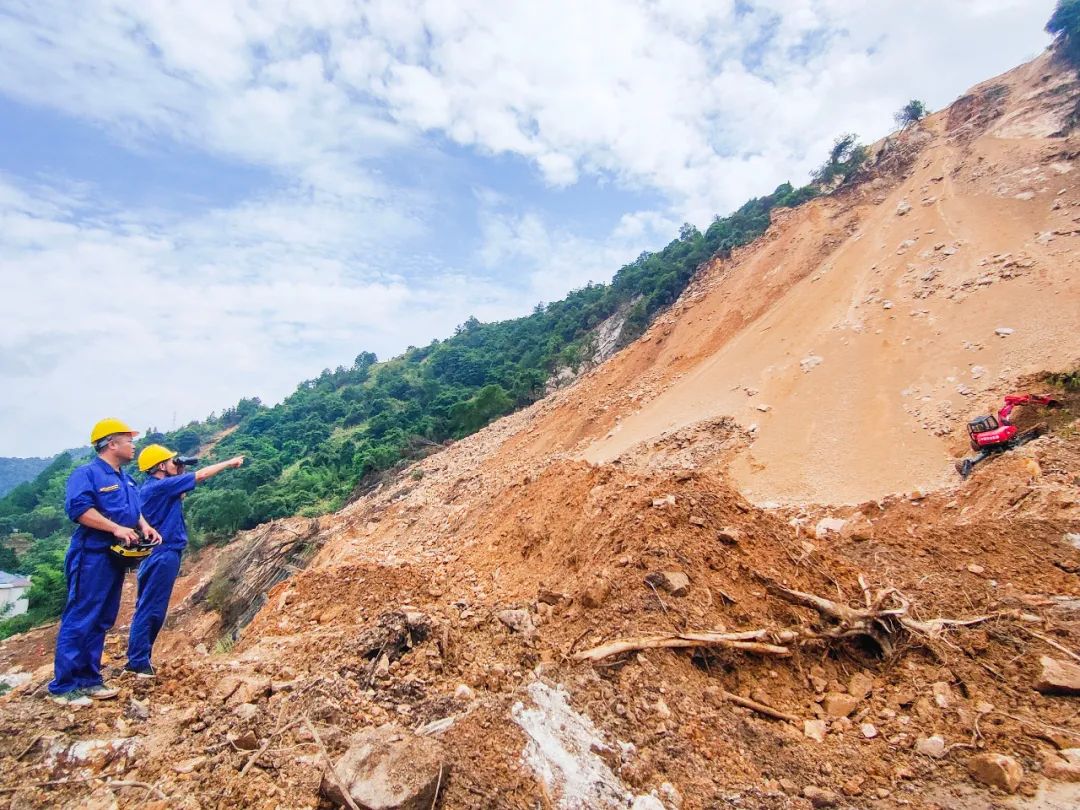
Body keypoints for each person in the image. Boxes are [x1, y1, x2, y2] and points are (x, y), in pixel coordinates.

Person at [48, 418, 162, 706]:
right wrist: (114, 528)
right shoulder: (87, 474)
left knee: (102, 618)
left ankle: (89, 679)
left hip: (114, 557)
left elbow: (132, 510)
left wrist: (144, 525)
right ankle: (64, 686)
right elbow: (80, 510)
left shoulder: (125, 478)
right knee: (82, 615)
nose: (133, 445)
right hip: (91, 555)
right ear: (112, 443)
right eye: (128, 440)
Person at [125, 445, 244, 678]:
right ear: (160, 466)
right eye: (171, 462)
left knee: (149, 606)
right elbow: (199, 476)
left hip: (158, 553)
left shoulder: (154, 488)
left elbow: (181, 491)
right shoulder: (160, 487)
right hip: (163, 552)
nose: (176, 466)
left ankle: (138, 658)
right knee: (152, 608)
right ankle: (138, 661)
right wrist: (229, 462)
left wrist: (177, 468)